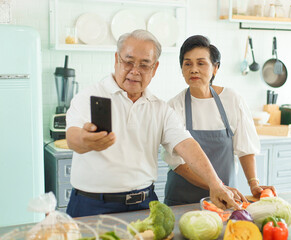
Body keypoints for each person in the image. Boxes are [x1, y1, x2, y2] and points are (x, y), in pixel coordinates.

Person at [65, 30, 239, 218]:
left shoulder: (159, 108)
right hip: (91, 206)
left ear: (154, 69)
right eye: (128, 62)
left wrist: (215, 184)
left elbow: (186, 145)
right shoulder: (89, 96)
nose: (135, 71)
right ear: (117, 59)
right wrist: (85, 139)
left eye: (144, 65)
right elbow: (72, 138)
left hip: (144, 205)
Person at [164, 35, 277, 206]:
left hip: (226, 200)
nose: (194, 69)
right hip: (182, 200)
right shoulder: (173, 106)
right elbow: (178, 164)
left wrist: (253, 184)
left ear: (215, 68)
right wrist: (217, 186)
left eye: (201, 63)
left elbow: (245, 148)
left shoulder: (232, 99)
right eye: (187, 64)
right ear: (182, 69)